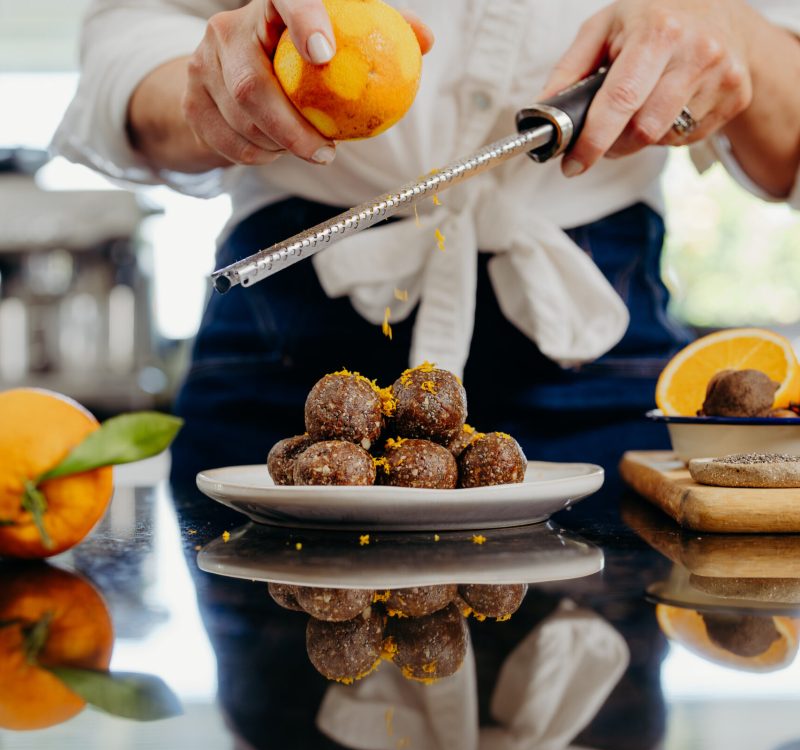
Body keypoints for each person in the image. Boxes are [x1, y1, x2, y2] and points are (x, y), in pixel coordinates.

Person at [53, 0, 800, 489]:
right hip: (288, 341)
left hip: (592, 338)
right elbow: (129, 37)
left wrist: (747, 41)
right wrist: (214, 91)